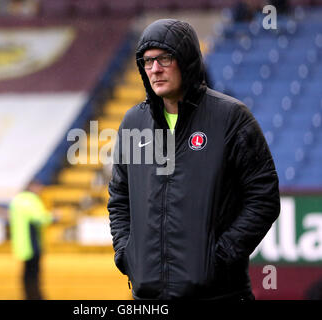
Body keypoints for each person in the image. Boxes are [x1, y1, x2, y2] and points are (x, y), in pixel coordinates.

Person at [107, 19, 280, 300]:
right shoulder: (133, 122)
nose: (155, 69)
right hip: (148, 297)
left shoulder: (231, 117)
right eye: (148, 61)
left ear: (186, 60)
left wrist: (220, 257)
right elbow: (119, 197)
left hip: (219, 294)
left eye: (165, 58)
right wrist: (127, 254)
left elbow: (264, 196)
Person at [9, 181, 56, 300]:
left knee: (27, 272)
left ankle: (29, 295)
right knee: (33, 273)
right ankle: (35, 296)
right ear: (33, 187)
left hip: (21, 243)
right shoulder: (31, 200)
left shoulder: (17, 200)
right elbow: (39, 219)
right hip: (32, 244)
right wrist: (53, 217)